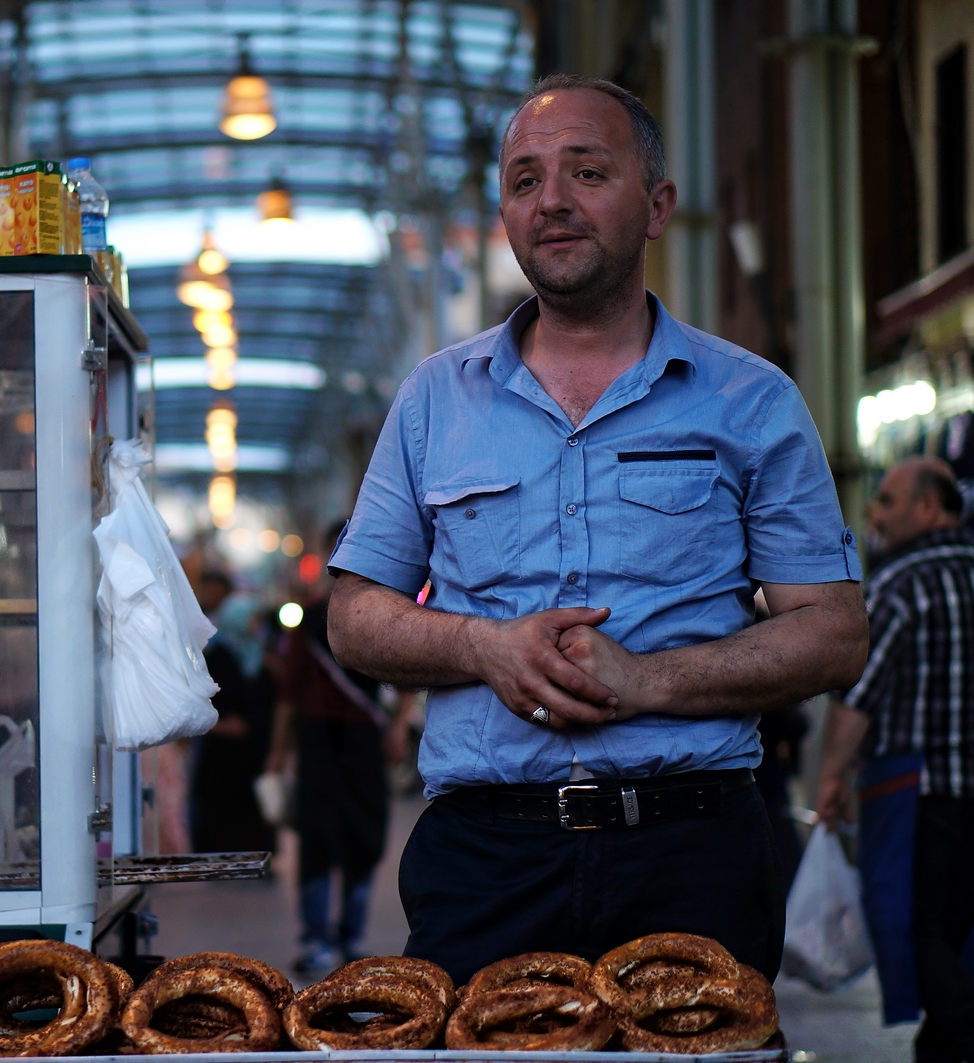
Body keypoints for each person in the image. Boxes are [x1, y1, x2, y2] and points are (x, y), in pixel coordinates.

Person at [324, 73, 867, 982]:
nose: (553, 203)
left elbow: (835, 631)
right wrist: (484, 646)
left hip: (693, 852)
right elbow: (353, 614)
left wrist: (647, 680)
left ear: (657, 206)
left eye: (587, 172)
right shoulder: (432, 400)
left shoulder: (753, 400)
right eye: (525, 180)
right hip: (487, 860)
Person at [817, 458, 974, 1057]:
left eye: (886, 501)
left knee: (915, 926)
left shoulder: (898, 584)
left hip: (917, 797)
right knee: (961, 931)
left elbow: (859, 695)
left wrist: (831, 776)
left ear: (929, 508)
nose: (875, 515)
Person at [271, 524, 396, 975]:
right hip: (320, 737)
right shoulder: (310, 619)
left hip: (359, 739)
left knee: (363, 836)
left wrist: (398, 726)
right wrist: (277, 753)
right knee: (320, 839)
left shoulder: (386, 615)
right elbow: (291, 688)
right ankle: (320, 939)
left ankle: (346, 937)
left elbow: (404, 679)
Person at [189, 570, 275, 854]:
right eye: (251, 618)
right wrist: (223, 724)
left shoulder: (258, 654)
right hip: (223, 754)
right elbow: (200, 700)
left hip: (252, 753)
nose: (255, 625)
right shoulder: (218, 656)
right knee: (222, 814)